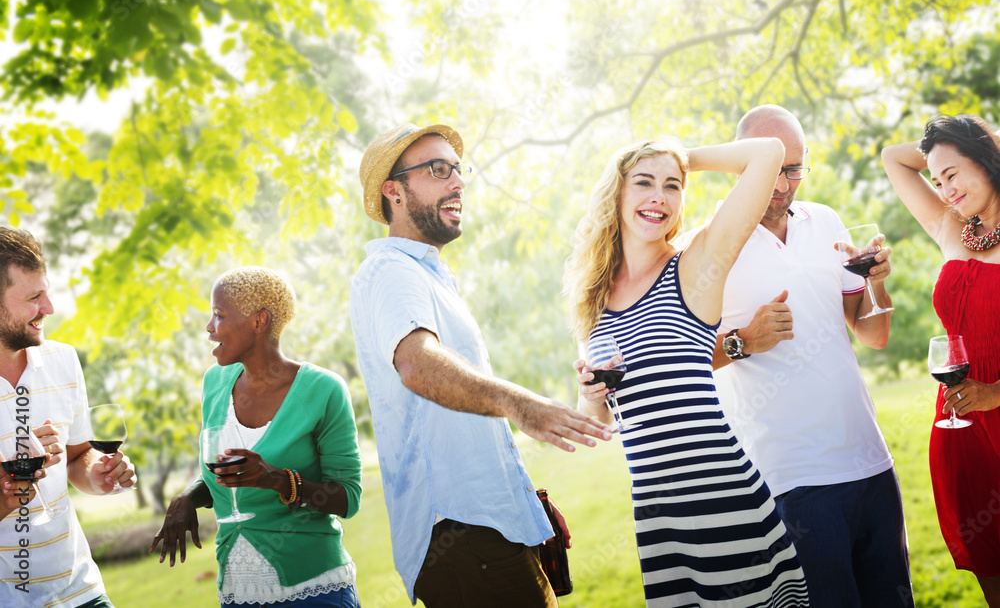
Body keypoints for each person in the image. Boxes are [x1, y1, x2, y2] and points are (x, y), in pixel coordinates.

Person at [350, 122, 611, 607]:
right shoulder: (390, 270)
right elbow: (418, 365)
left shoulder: (430, 277)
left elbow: (458, 422)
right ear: (394, 191)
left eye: (458, 169)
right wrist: (522, 405)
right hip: (465, 539)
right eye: (437, 169)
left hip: (489, 530)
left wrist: (523, 499)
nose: (457, 181)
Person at [565, 136, 809, 607]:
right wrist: (591, 394)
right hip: (659, 519)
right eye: (643, 182)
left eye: (672, 186)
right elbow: (599, 421)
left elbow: (768, 154)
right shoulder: (591, 299)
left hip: (721, 497)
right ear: (615, 193)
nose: (658, 196)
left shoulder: (696, 265)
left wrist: (679, 156)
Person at [708, 104, 914, 607]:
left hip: (870, 463)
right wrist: (744, 340)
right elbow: (682, 355)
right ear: (739, 165)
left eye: (793, 168)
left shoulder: (824, 221)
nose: (781, 184)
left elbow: (872, 333)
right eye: (770, 168)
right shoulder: (708, 246)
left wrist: (876, 284)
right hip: (793, 480)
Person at [151, 266, 362, 607]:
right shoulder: (215, 384)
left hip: (313, 589)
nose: (209, 327)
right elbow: (227, 471)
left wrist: (278, 481)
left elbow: (348, 497)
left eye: (219, 315)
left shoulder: (324, 390)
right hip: (238, 590)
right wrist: (189, 496)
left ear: (259, 321)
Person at [883, 114, 1000, 605]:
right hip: (961, 422)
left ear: (988, 160)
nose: (945, 190)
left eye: (952, 174)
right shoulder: (955, 229)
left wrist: (996, 393)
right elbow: (893, 158)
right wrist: (942, 149)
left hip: (992, 404)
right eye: (936, 180)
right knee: (992, 567)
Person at [0, 226, 136, 608]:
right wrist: (14, 479)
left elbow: (77, 457)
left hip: (81, 591)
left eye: (46, 291)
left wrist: (96, 475)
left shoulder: (62, 360)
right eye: (34, 297)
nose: (49, 308)